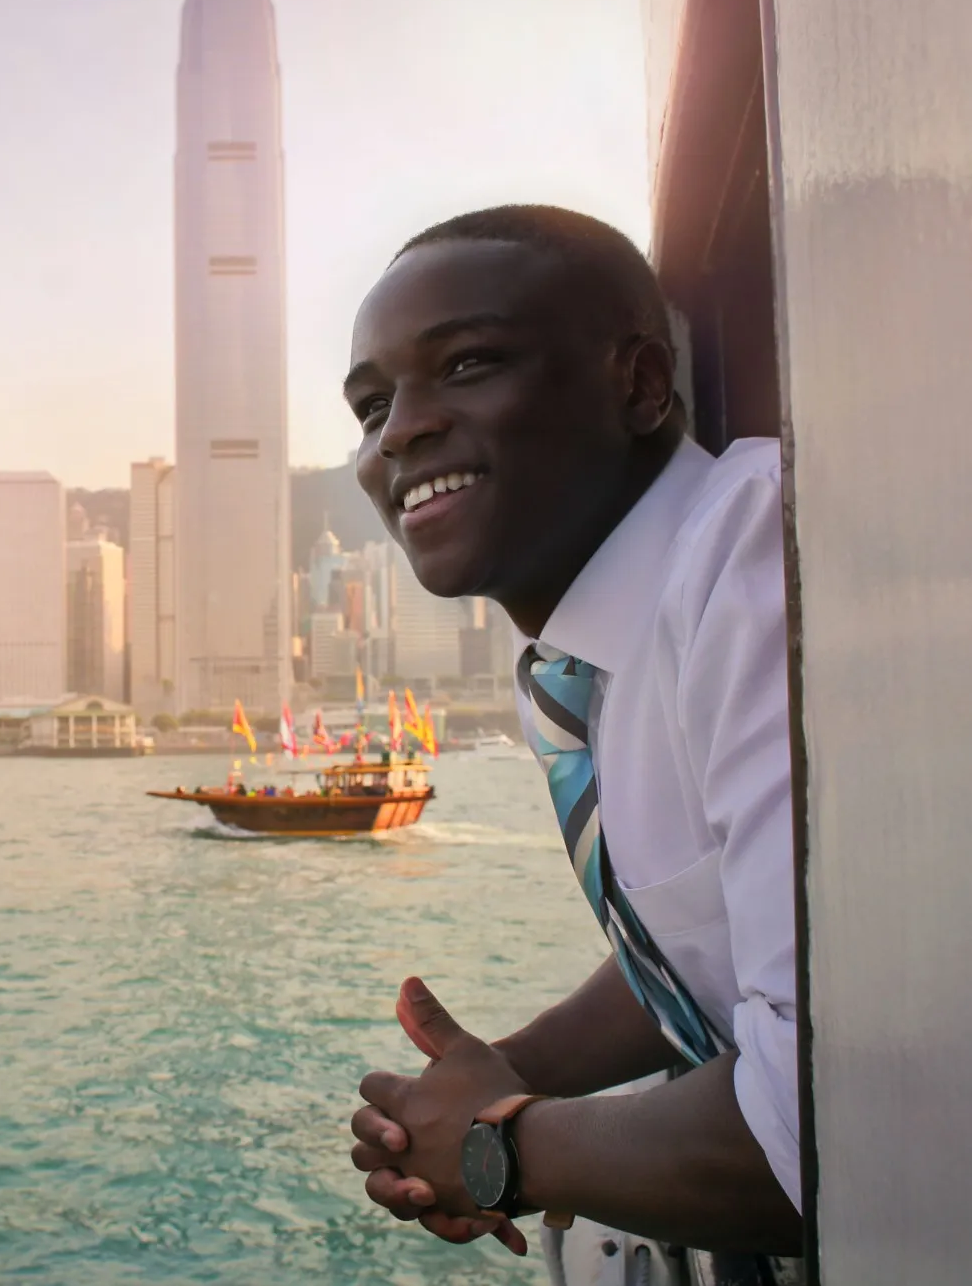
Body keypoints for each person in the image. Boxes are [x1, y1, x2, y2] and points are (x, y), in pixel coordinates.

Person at [340, 205, 802, 1273]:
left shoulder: (753, 561)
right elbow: (702, 928)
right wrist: (501, 1075)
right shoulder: (569, 663)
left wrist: (500, 1149)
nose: (398, 432)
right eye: (370, 406)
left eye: (466, 363)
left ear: (640, 384)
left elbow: (820, 1128)